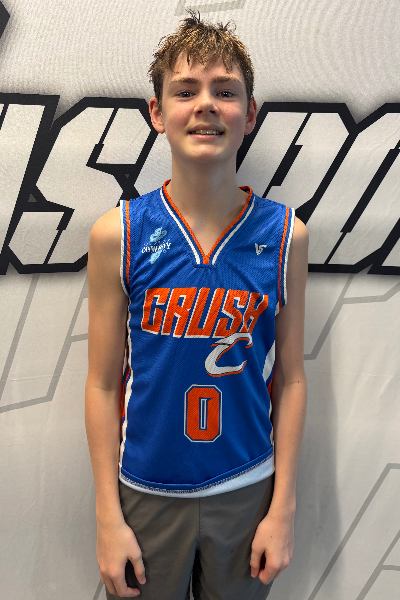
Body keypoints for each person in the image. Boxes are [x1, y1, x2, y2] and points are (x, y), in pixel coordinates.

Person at [85, 10, 308, 600]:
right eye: (185, 91)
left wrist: (283, 506)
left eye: (225, 92)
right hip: (146, 489)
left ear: (250, 114)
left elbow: (291, 379)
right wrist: (107, 516)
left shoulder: (286, 235)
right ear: (157, 112)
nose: (206, 104)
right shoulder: (118, 235)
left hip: (247, 486)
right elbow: (102, 384)